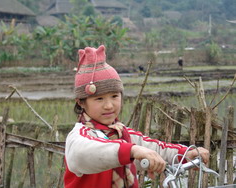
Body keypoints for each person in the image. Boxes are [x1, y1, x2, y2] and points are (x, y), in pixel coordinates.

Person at [64, 45, 209, 188]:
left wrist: (185, 154)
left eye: (114, 96)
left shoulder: (122, 133)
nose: (109, 105)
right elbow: (84, 154)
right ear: (81, 102)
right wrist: (133, 151)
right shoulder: (79, 137)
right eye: (99, 99)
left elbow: (155, 148)